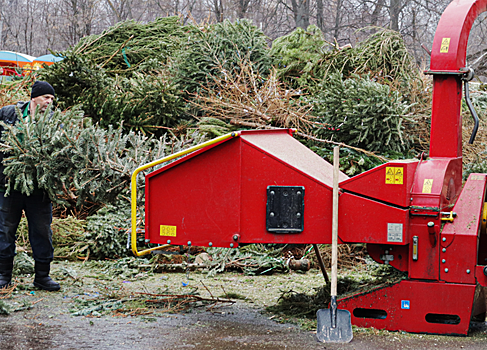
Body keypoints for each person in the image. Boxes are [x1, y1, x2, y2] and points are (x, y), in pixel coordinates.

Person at [0, 80, 60, 291]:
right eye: (46, 97)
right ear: (34, 97)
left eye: (52, 99)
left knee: (42, 230)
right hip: (9, 185)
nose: (49, 102)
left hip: (39, 188)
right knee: (5, 230)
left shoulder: (53, 122)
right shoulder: (8, 113)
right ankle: (3, 276)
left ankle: (42, 277)